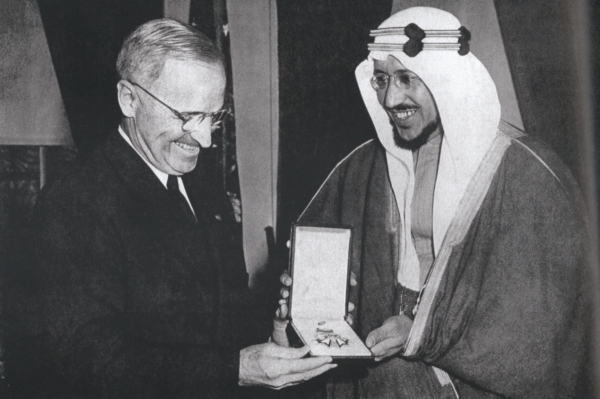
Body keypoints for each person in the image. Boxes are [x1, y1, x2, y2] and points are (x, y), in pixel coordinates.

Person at [7, 19, 335, 398]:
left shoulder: (204, 188)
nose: (206, 138)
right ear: (129, 99)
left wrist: (273, 333)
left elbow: (220, 321)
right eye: (187, 116)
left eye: (214, 116)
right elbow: (90, 361)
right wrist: (236, 369)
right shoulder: (75, 201)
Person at [277, 7, 593, 398]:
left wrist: (422, 333)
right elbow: (324, 265)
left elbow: (545, 325)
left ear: (447, 79)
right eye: (380, 80)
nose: (391, 98)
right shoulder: (361, 167)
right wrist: (307, 301)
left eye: (407, 78)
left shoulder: (527, 174)